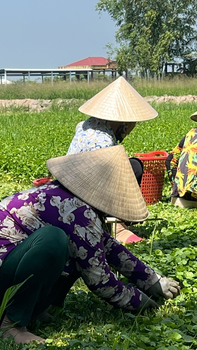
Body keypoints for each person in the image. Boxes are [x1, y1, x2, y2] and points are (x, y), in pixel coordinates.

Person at [0, 145, 181, 344]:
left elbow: (106, 246)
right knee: (52, 240)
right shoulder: (76, 210)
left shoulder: (68, 200)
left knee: (80, 248)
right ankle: (10, 325)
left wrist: (153, 280)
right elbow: (99, 279)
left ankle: (33, 308)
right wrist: (141, 302)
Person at [67, 76, 158, 243]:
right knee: (134, 167)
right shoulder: (105, 142)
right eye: (132, 123)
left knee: (132, 163)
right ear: (123, 123)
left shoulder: (83, 125)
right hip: (87, 193)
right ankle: (116, 222)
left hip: (70, 182)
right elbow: (108, 181)